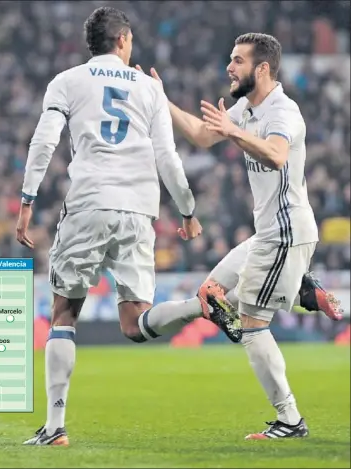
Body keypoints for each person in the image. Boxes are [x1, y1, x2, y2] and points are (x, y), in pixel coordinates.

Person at [17, 7, 241, 446]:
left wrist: (27, 200)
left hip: (88, 204)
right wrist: (188, 210)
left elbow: (43, 142)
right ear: (123, 40)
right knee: (135, 324)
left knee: (64, 314)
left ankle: (55, 427)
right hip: (139, 211)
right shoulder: (149, 89)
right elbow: (168, 159)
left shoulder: (67, 80)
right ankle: (200, 306)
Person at [137, 33, 343, 440]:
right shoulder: (246, 108)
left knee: (251, 324)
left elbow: (277, 154)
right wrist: (162, 101)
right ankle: (302, 289)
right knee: (210, 297)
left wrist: (232, 130)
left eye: (237, 61)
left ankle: (289, 420)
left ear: (262, 68)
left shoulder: (283, 111)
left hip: (286, 234)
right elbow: (201, 134)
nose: (229, 67)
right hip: (267, 236)